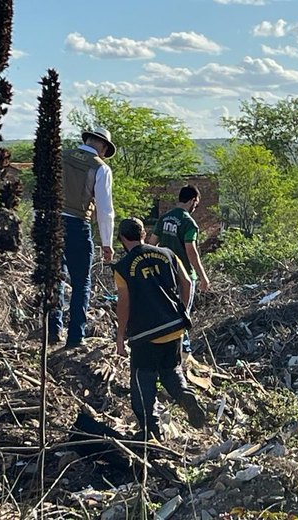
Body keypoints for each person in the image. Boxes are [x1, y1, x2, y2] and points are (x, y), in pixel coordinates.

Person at [113, 218, 206, 440]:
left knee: (142, 381)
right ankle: (185, 395)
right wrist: (181, 311)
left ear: (123, 239)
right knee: (170, 371)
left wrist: (120, 337)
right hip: (174, 328)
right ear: (144, 234)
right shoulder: (167, 254)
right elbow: (187, 282)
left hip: (145, 334)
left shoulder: (123, 267)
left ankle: (151, 430)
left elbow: (123, 304)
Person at [49, 127, 116, 348]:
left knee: (54, 277)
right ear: (104, 147)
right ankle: (75, 336)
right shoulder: (100, 168)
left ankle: (52, 331)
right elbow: (105, 210)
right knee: (81, 282)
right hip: (78, 225)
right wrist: (107, 243)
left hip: (51, 222)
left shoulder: (60, 156)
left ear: (85, 140)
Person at [148, 184, 210, 353]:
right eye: (196, 204)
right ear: (192, 200)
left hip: (164, 275)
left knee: (166, 311)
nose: (196, 207)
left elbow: (152, 244)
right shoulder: (189, 223)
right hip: (185, 277)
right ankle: (183, 351)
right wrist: (203, 276)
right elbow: (191, 251)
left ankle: (165, 348)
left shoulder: (164, 218)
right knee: (183, 314)